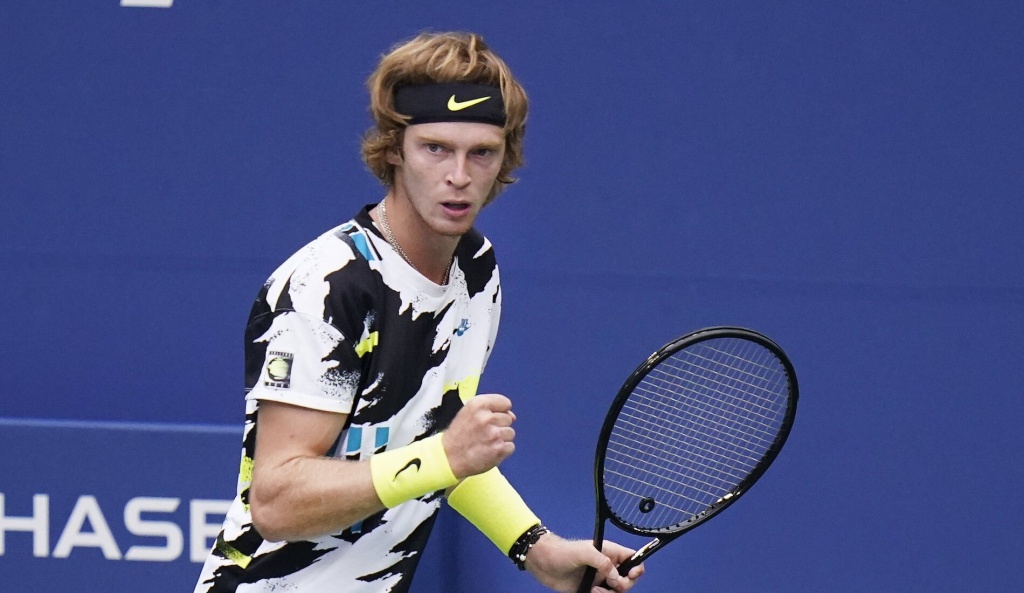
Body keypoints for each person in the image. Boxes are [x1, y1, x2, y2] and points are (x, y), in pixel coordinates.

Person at [194, 31, 645, 593]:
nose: (459, 175)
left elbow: (432, 440)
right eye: (436, 148)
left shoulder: (475, 269)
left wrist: (537, 548)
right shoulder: (329, 286)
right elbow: (277, 502)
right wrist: (446, 454)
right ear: (394, 151)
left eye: (482, 152)